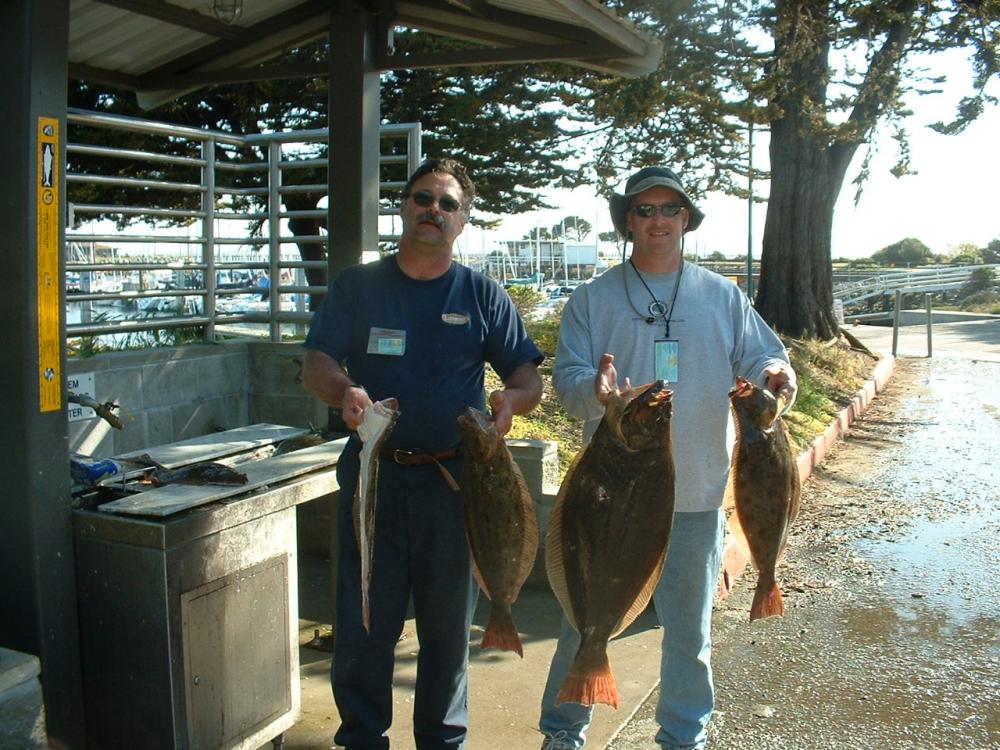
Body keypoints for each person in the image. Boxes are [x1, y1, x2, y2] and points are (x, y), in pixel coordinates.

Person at [538, 166, 796, 750]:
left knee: (689, 633)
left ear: (686, 220)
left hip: (699, 494)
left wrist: (777, 378)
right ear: (628, 222)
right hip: (610, 498)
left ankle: (684, 736)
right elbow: (569, 380)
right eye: (645, 210)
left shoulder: (722, 294)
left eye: (670, 210)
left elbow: (766, 359)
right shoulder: (591, 299)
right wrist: (596, 391)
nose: (658, 221)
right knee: (582, 622)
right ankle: (563, 732)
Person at [302, 157, 544, 750]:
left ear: (462, 222)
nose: (433, 210)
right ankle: (362, 738)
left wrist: (511, 400)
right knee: (364, 628)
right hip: (373, 482)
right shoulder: (357, 288)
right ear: (404, 207)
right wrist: (345, 391)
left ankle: (443, 741)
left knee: (445, 631)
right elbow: (317, 363)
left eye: (447, 204)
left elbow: (526, 374)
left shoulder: (481, 293)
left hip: (454, 488)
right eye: (422, 199)